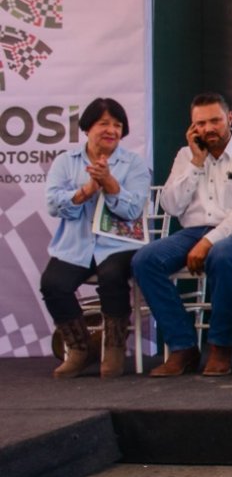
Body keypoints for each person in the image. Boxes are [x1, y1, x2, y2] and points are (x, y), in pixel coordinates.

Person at [132, 93, 232, 377]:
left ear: (229, 119)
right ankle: (183, 347)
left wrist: (209, 241)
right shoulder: (186, 156)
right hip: (191, 232)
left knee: (221, 255)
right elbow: (170, 205)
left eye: (215, 121)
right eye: (201, 123)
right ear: (192, 127)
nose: (209, 128)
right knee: (145, 259)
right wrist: (196, 163)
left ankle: (220, 347)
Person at [41, 97, 150, 378]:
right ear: (88, 127)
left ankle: (113, 347)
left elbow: (133, 209)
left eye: (117, 125)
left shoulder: (134, 164)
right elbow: (53, 205)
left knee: (112, 275)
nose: (111, 130)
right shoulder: (66, 162)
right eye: (104, 124)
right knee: (53, 283)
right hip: (75, 245)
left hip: (119, 246)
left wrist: (111, 185)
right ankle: (80, 349)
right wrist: (86, 191)